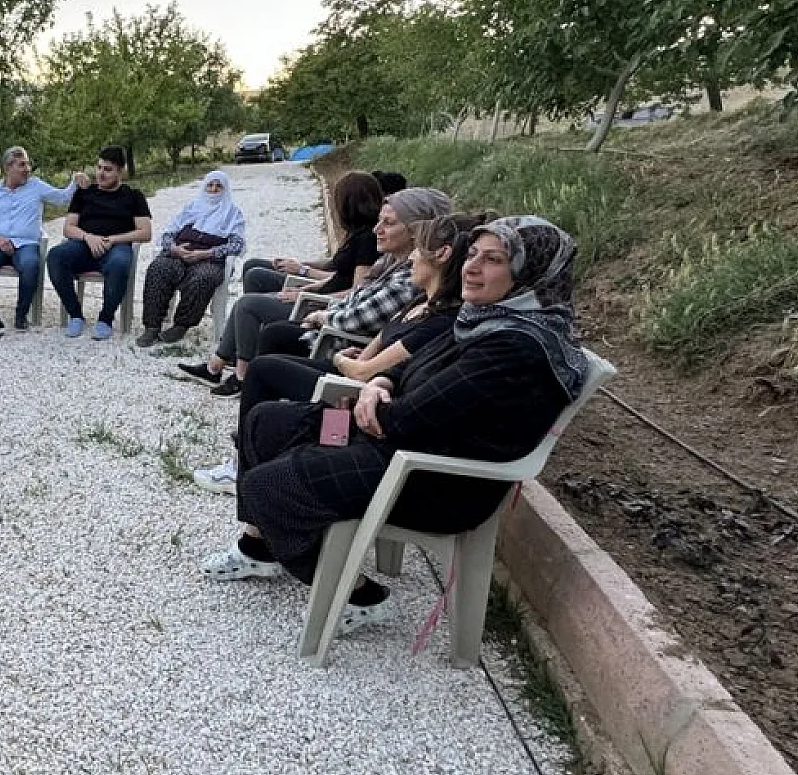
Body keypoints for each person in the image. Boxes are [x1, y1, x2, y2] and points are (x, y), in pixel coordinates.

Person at [198, 216, 588, 636]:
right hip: (393, 444)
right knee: (266, 422)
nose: (471, 268)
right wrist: (379, 383)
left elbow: (406, 419)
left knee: (269, 487)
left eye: (492, 260)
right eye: (472, 254)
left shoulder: (516, 346)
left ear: (530, 273)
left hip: (430, 480)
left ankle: (361, 596)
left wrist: (370, 399)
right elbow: (408, 369)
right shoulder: (487, 318)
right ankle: (259, 547)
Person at [190, 212, 491, 495]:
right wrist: (355, 359)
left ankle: (245, 467)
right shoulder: (420, 303)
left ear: (440, 257)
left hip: (357, 394)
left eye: (418, 250)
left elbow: (363, 371)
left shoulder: (438, 321)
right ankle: (252, 455)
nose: (411, 257)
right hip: (354, 377)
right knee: (268, 360)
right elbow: (371, 350)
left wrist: (341, 359)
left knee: (264, 370)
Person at [178, 187, 451, 397]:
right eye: (380, 220)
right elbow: (349, 285)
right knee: (255, 278)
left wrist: (314, 301)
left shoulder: (401, 272)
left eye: (388, 223)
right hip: (330, 317)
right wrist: (306, 276)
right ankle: (232, 371)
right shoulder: (388, 258)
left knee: (251, 306)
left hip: (336, 336)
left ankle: (238, 375)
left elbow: (357, 307)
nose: (378, 228)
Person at [0, 146, 90, 341]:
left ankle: (21, 315)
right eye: (22, 165)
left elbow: (62, 198)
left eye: (28, 164)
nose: (27, 169)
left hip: (26, 243)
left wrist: (75, 181)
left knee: (31, 265)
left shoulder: (36, 186)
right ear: (8, 168)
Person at [45, 145, 153, 341]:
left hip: (116, 247)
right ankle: (75, 315)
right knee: (55, 255)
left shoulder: (133, 196)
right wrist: (88, 237)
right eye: (99, 167)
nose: (101, 173)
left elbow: (145, 233)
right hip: (84, 245)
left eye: (108, 169)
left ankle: (105, 319)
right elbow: (68, 228)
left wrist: (113, 239)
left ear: (121, 171)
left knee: (120, 262)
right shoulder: (84, 193)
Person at [136, 170, 247, 348]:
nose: (213, 189)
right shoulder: (191, 207)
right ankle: (152, 326)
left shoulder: (233, 214)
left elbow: (237, 245)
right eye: (210, 185)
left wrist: (207, 253)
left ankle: (181, 325)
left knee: (203, 278)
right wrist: (174, 249)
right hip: (179, 253)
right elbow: (167, 234)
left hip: (209, 259)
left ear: (225, 189)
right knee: (159, 268)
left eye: (219, 186)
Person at [239, 171, 383, 298]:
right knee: (252, 264)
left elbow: (353, 287)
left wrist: (303, 271)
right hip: (320, 289)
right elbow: (334, 264)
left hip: (323, 300)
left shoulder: (368, 240)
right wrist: (301, 263)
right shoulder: (357, 233)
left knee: (254, 279)